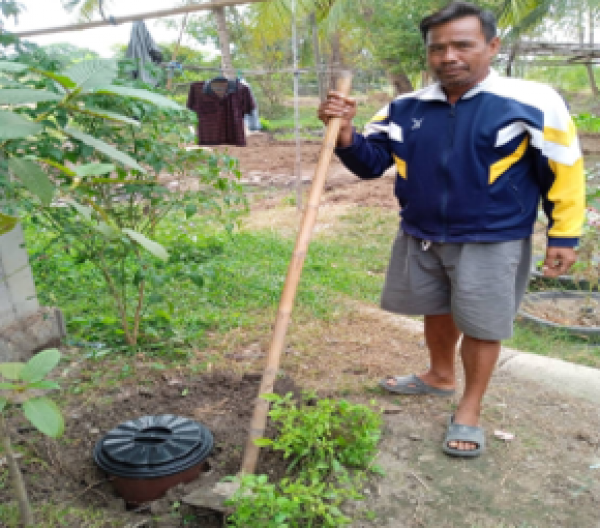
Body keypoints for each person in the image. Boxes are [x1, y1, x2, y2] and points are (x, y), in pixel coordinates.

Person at [317, 1, 585, 458]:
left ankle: (470, 408)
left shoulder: (534, 101)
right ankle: (440, 376)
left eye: (463, 45)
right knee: (436, 309)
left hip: (492, 236)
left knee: (481, 324)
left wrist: (564, 234)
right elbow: (370, 162)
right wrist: (343, 133)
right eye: (437, 48)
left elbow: (563, 169)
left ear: (492, 46)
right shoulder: (404, 107)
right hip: (421, 232)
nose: (448, 57)